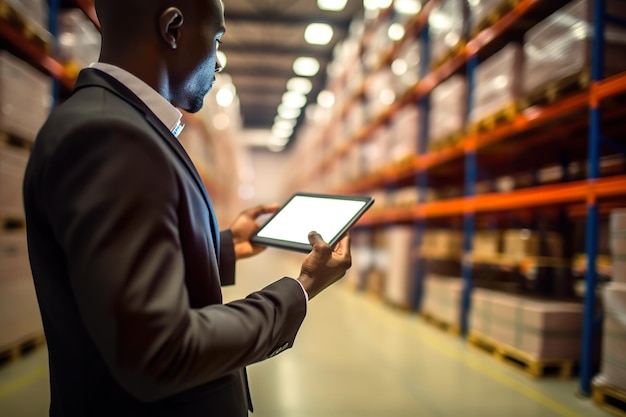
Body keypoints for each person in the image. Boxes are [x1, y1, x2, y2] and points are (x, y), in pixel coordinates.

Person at [22, 0, 352, 416]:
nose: (216, 63)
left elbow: (119, 265)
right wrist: (300, 290)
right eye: (215, 40)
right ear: (173, 28)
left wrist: (227, 245)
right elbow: (161, 351)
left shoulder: (120, 125)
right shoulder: (110, 137)